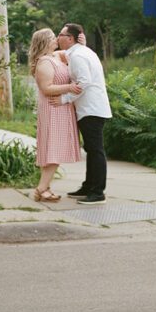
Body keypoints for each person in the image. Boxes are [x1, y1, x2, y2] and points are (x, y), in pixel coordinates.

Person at [51, 23, 112, 205]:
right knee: (92, 150)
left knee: (95, 150)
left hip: (91, 109)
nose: (58, 37)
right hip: (90, 108)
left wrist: (64, 99)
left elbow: (84, 82)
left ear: (70, 38)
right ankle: (88, 186)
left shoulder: (78, 56)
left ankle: (97, 192)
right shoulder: (82, 52)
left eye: (60, 34)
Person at [27, 28, 82, 202]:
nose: (56, 40)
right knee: (54, 150)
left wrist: (82, 42)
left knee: (54, 150)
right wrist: (69, 88)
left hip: (61, 108)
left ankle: (45, 187)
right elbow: (46, 88)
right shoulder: (44, 62)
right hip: (52, 109)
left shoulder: (56, 56)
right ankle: (41, 189)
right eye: (52, 38)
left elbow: (74, 52)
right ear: (44, 42)